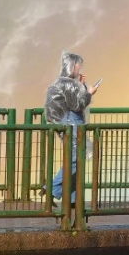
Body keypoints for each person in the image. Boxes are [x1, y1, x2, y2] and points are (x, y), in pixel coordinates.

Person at [44, 51, 99, 205]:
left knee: (76, 158)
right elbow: (77, 104)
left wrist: (80, 85)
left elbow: (70, 100)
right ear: (72, 65)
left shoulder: (61, 82)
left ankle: (72, 199)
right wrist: (89, 93)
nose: (79, 68)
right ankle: (51, 189)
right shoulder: (67, 84)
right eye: (78, 65)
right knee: (75, 159)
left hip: (63, 122)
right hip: (71, 123)